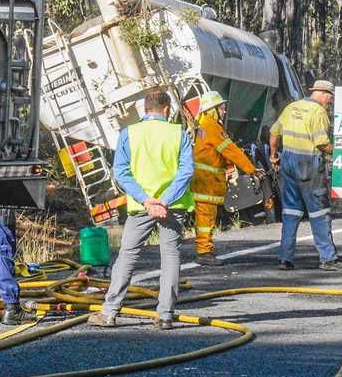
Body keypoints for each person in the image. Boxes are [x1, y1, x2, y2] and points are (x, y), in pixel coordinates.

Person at [89, 89, 194, 330]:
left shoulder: (130, 133)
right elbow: (186, 171)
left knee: (127, 255)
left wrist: (147, 200)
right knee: (170, 256)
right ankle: (166, 314)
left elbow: (121, 172)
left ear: (145, 109)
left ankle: (109, 313)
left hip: (140, 207)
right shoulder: (178, 133)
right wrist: (164, 200)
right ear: (167, 109)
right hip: (172, 206)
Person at [268, 80, 342, 271]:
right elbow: (321, 143)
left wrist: (273, 156)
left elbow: (273, 132)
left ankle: (285, 259)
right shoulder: (318, 112)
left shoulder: (292, 107)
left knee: (291, 212)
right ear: (322, 93)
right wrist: (340, 152)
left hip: (288, 162)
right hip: (308, 166)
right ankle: (328, 259)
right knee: (319, 213)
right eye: (330, 96)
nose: (330, 101)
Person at [190, 90, 259, 266]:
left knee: (207, 218)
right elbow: (231, 150)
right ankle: (204, 252)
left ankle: (205, 250)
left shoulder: (206, 125)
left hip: (206, 181)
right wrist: (251, 169)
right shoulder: (211, 126)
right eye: (221, 108)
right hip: (207, 181)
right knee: (205, 219)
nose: (224, 111)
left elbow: (222, 153)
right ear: (212, 110)